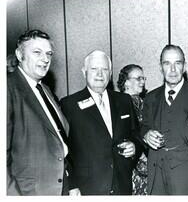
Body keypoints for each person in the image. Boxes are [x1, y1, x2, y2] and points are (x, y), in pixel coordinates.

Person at [60, 50, 140, 195]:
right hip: (87, 188)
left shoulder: (124, 101)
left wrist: (134, 146)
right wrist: (72, 185)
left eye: (104, 70)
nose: (99, 74)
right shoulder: (69, 105)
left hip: (122, 186)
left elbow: (137, 134)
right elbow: (64, 150)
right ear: (84, 72)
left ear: (110, 74)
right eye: (94, 69)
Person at [141, 44, 188, 195]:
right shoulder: (151, 98)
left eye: (177, 63)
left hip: (187, 176)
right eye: (167, 63)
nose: (172, 70)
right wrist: (146, 135)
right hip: (156, 174)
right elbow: (143, 127)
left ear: (184, 67)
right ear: (161, 68)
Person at [7, 29, 70, 195]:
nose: (45, 59)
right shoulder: (8, 88)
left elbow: (59, 139)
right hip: (29, 192)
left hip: (58, 186)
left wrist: (70, 183)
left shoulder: (45, 89)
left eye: (49, 54)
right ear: (20, 55)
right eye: (37, 52)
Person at [117, 64, 147, 195]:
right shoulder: (118, 104)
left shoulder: (143, 102)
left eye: (143, 78)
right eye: (138, 78)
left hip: (146, 162)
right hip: (131, 163)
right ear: (126, 82)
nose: (142, 81)